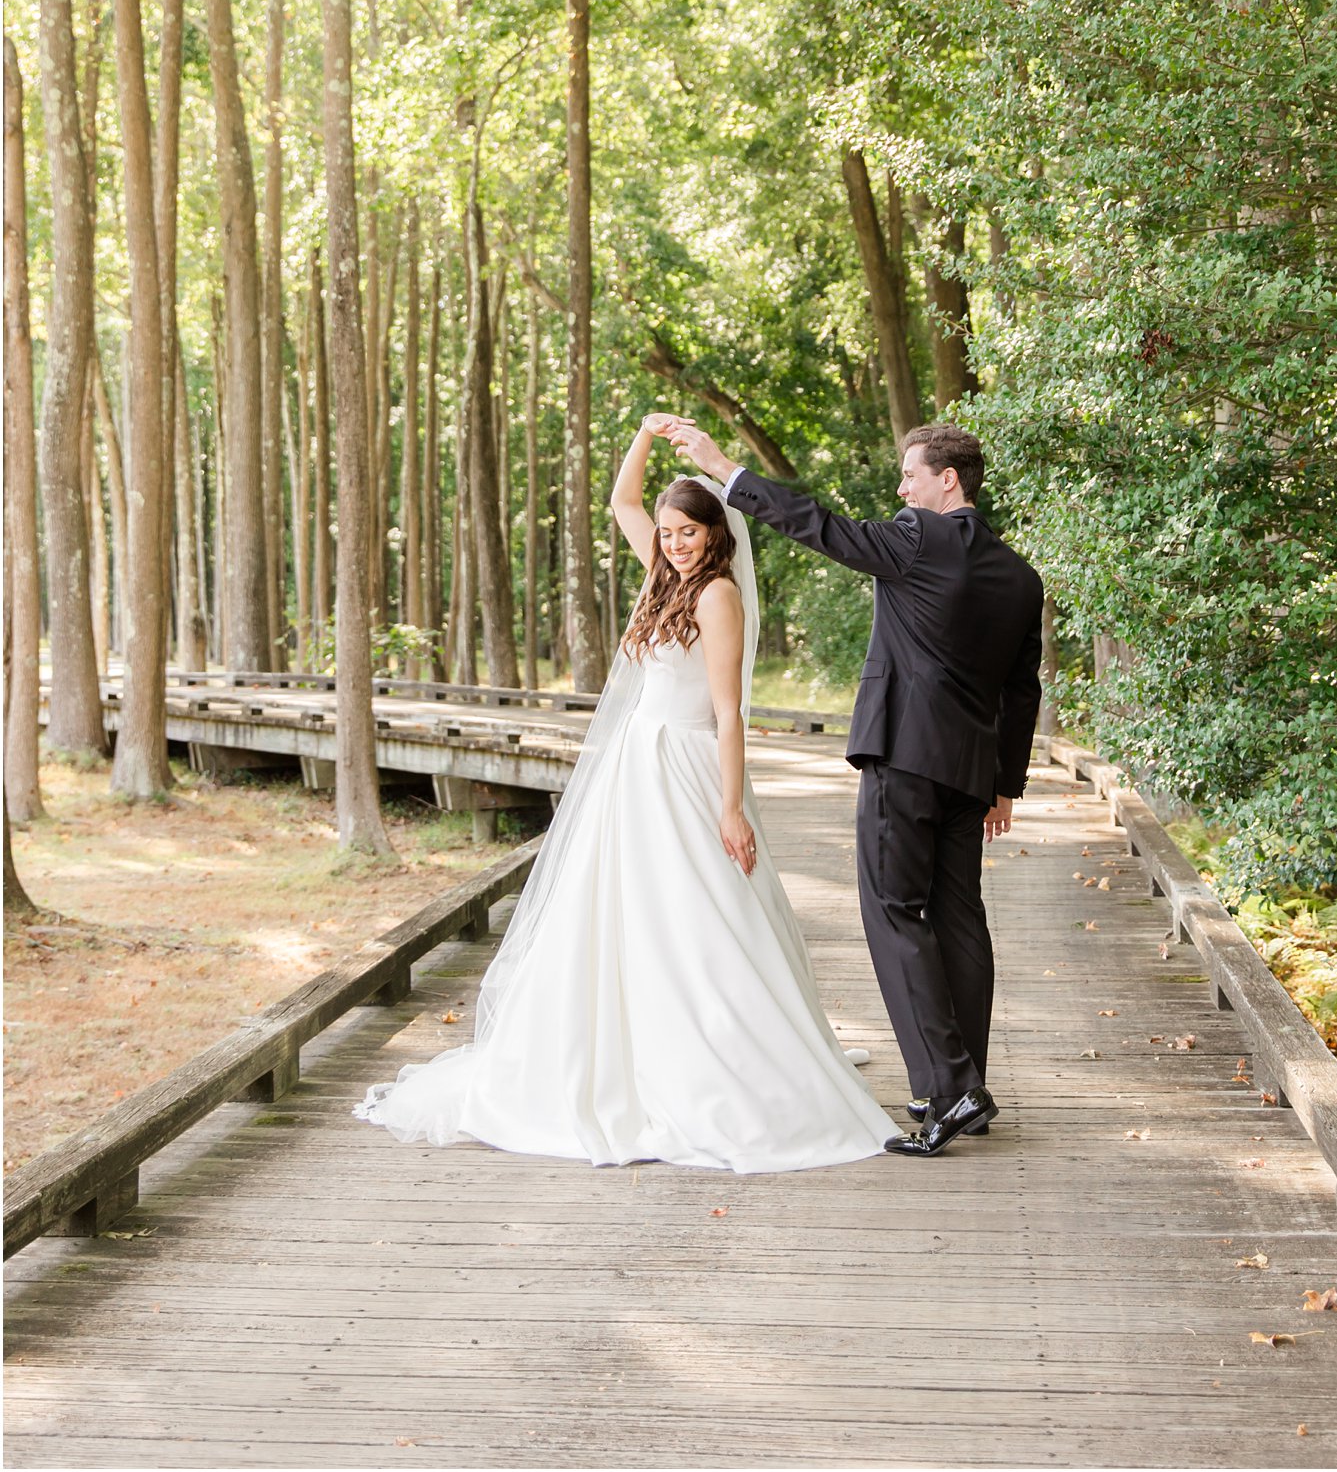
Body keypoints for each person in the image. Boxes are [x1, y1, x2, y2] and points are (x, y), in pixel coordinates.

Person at [354, 414, 896, 1173]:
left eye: (688, 532)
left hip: (684, 765)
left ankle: (722, 1054)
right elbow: (622, 502)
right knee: (616, 912)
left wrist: (731, 806)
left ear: (716, 534)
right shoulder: (661, 574)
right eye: (669, 532)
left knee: (700, 917)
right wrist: (644, 434)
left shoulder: (715, 600)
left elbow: (728, 712)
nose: (673, 542)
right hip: (632, 771)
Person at [668, 417, 1044, 1157]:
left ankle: (951, 1084)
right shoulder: (1020, 576)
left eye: (910, 474)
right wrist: (1007, 782)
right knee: (960, 918)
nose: (901, 487)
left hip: (903, 755)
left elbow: (821, 526)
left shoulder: (915, 536)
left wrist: (723, 469)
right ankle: (962, 1084)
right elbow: (1021, 690)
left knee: (894, 912)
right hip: (971, 772)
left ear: (948, 479)